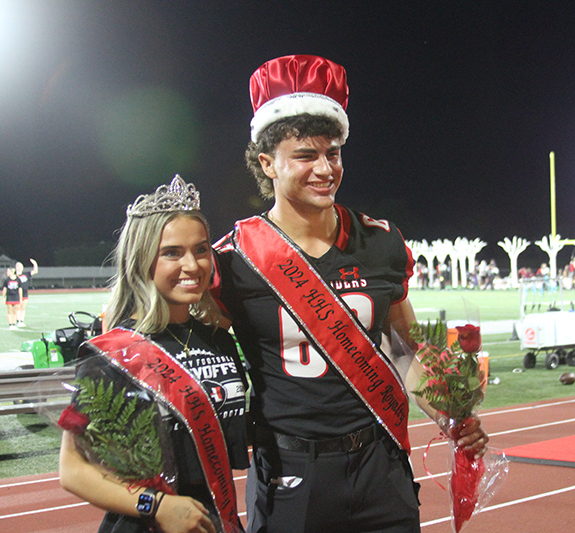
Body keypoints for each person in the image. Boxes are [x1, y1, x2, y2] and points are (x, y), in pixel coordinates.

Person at [212, 55, 488, 533]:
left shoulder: (381, 244)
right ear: (267, 164)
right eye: (305, 156)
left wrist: (451, 410)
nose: (325, 169)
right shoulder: (236, 259)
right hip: (291, 473)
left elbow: (406, 351)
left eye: (333, 153)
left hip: (379, 464)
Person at [59, 176, 249, 533]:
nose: (192, 265)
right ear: (142, 260)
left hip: (213, 519)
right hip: (144, 524)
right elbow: (72, 470)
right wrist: (156, 505)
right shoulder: (113, 353)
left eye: (201, 249)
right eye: (172, 252)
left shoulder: (219, 341)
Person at [15, 258, 38, 327]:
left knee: (23, 307)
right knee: (17, 307)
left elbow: (35, 271)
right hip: (17, 293)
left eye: (20, 266)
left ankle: (21, 321)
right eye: (18, 266)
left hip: (25, 292)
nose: (19, 268)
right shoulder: (15, 275)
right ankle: (17, 320)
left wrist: (34, 263)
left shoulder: (26, 274)